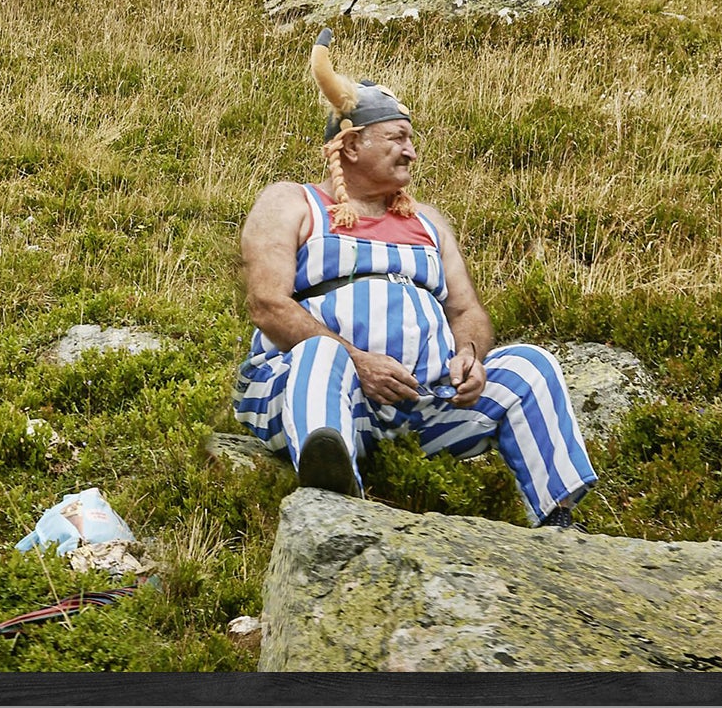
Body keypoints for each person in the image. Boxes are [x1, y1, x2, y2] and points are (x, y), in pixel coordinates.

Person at [230, 30, 596, 525]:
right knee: (321, 352)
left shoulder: (427, 221)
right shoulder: (293, 203)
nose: (411, 151)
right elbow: (267, 303)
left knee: (529, 366)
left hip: (420, 406)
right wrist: (357, 360)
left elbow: (466, 311)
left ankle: (559, 521)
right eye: (398, 137)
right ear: (352, 145)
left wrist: (469, 356)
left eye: (411, 139)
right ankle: (334, 504)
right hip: (312, 392)